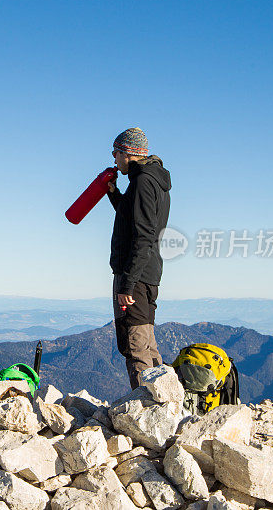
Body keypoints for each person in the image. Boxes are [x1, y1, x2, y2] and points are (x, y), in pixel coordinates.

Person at [107, 127, 172, 389]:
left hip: (136, 276)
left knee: (135, 345)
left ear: (128, 153)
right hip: (148, 273)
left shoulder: (143, 182)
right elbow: (133, 220)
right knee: (146, 341)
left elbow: (143, 236)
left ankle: (145, 410)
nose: (114, 158)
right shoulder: (151, 180)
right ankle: (162, 404)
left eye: (116, 152)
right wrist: (114, 193)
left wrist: (127, 284)